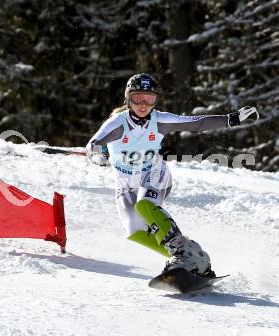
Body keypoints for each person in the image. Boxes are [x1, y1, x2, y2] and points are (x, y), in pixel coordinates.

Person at [86, 73, 258, 277]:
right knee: (135, 232)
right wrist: (97, 153)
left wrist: (231, 119)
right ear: (128, 98)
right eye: (137, 98)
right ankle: (193, 259)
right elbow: (93, 144)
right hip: (125, 184)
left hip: (154, 172)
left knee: (145, 205)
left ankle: (182, 253)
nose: (143, 105)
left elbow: (197, 123)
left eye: (149, 99)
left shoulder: (160, 120)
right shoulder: (117, 123)